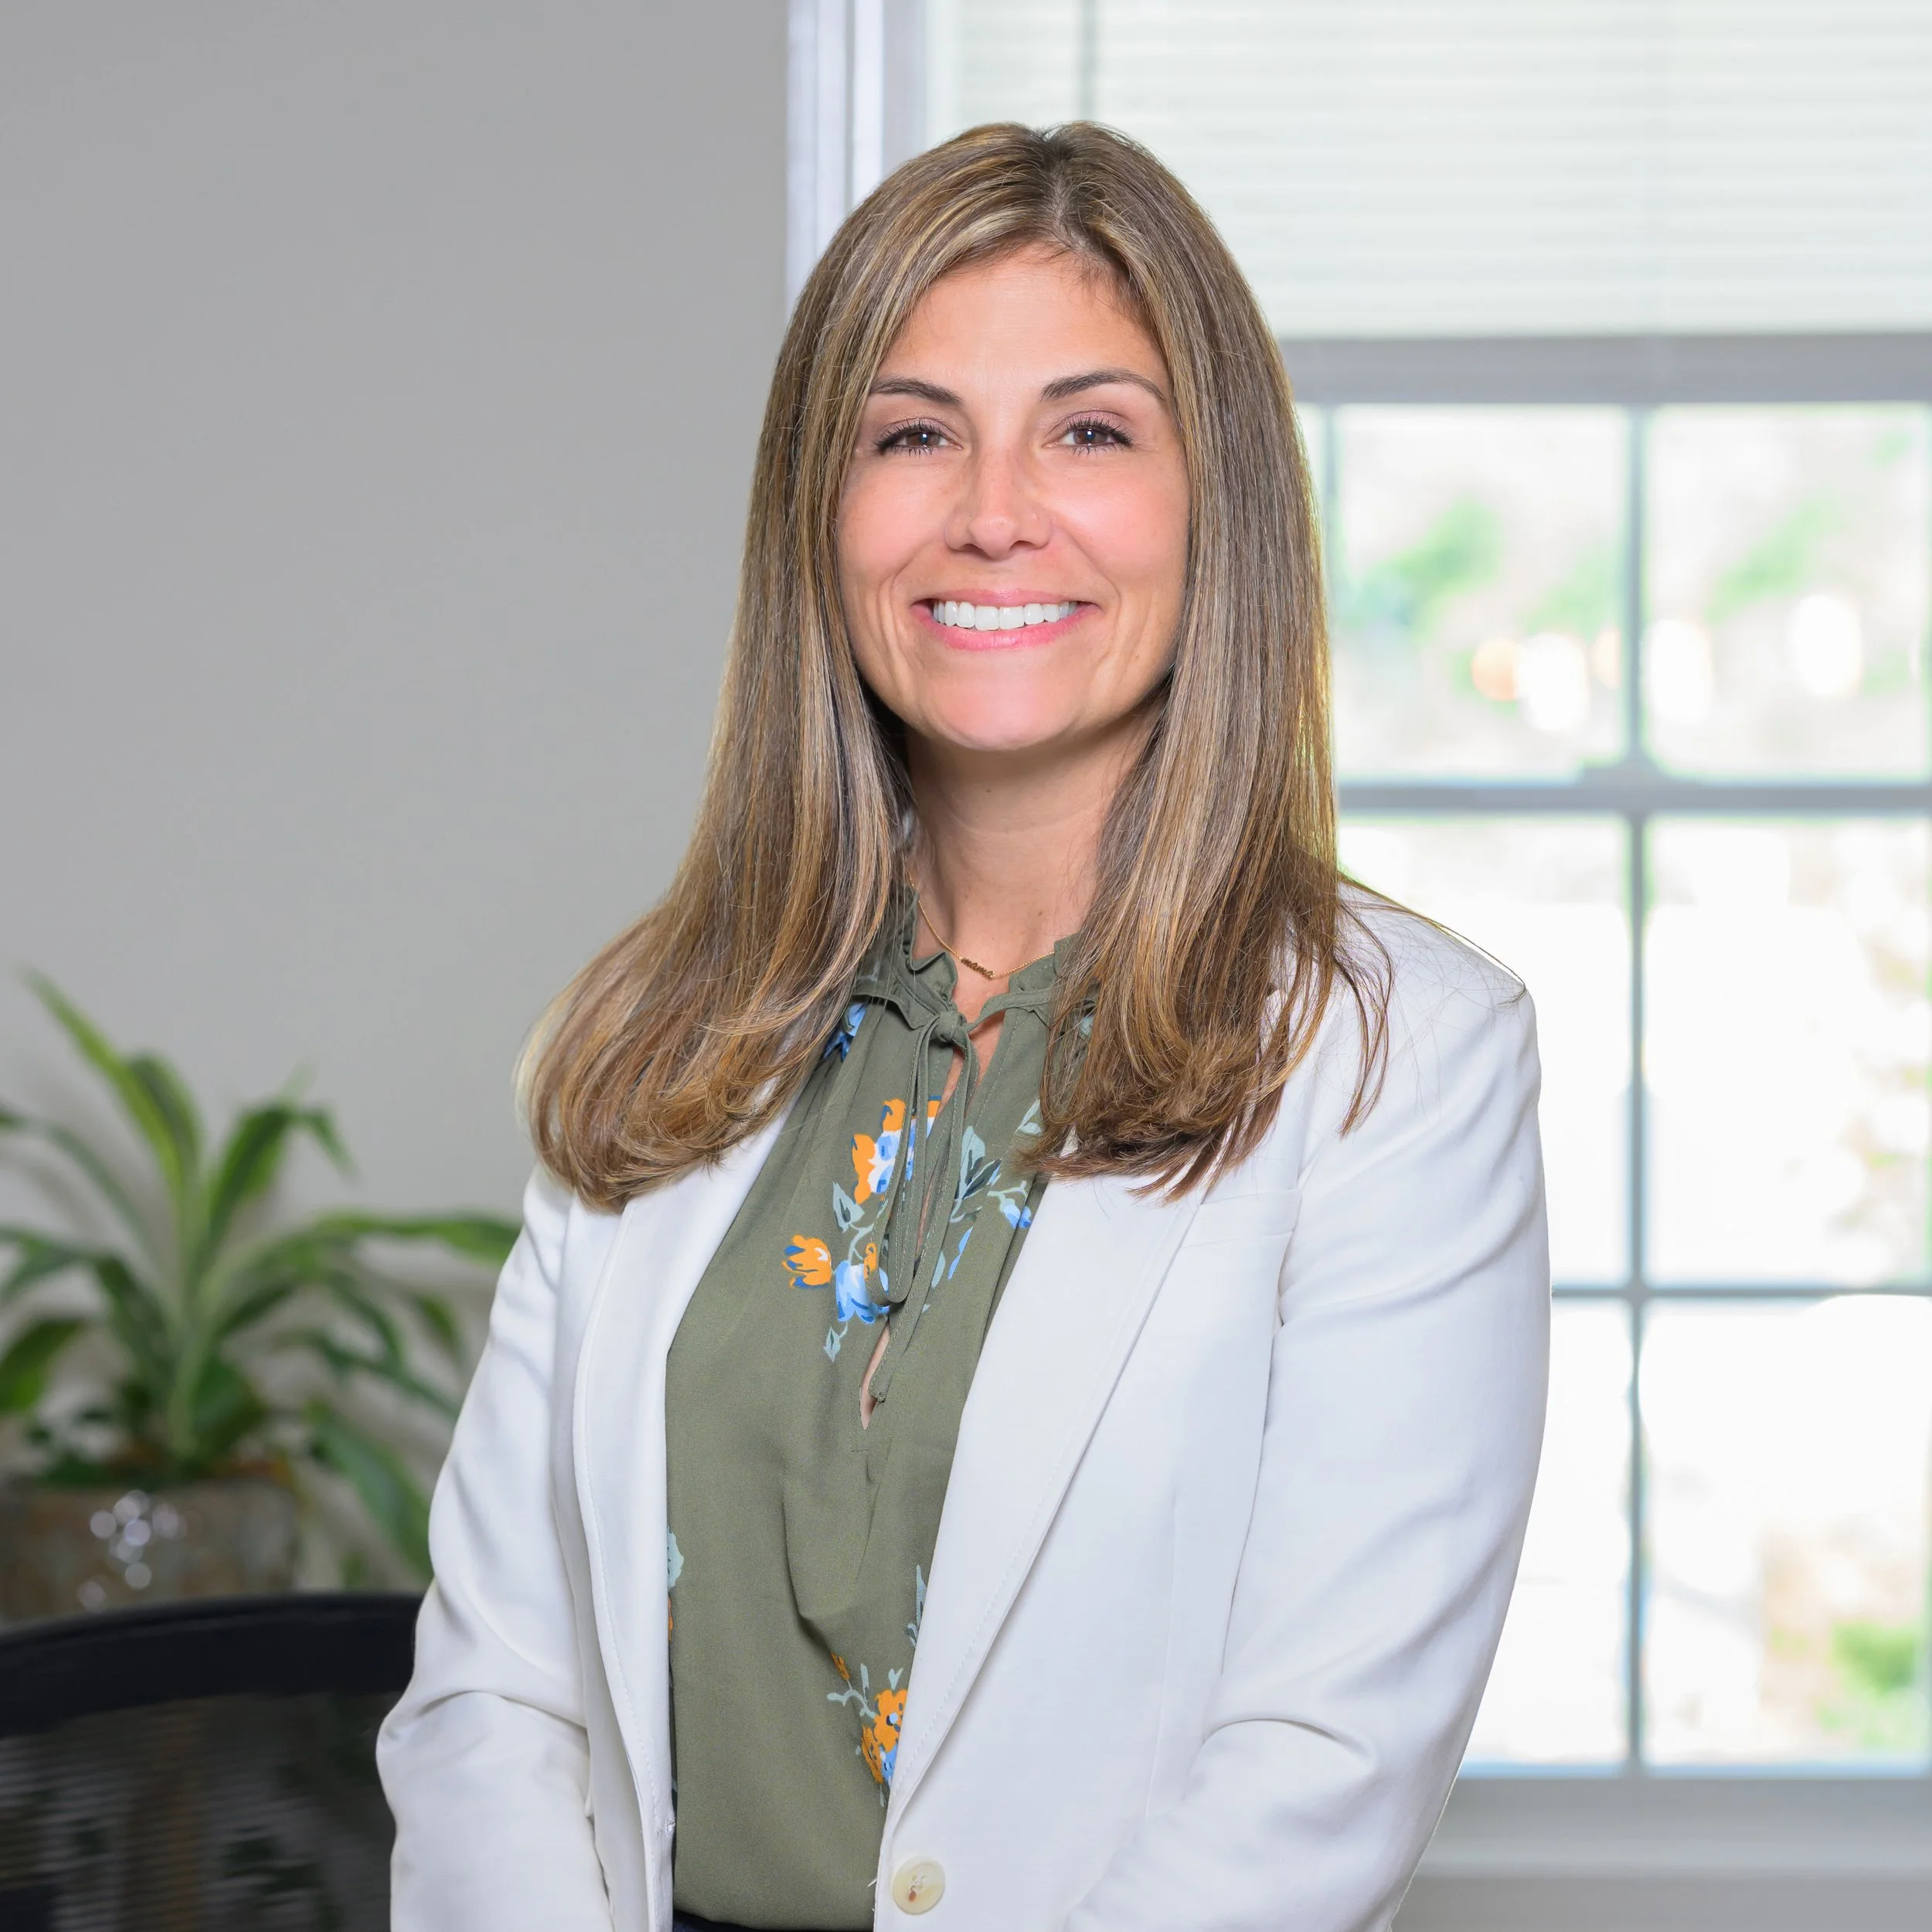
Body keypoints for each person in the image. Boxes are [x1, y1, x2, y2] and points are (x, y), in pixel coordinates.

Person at [377, 122, 1549, 1932]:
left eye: (1089, 429)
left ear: (1210, 500)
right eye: (911, 432)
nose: (991, 509)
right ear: (817, 512)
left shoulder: (1401, 1061)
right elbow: (497, 1695)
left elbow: (1320, 1757)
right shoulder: (660, 1029)